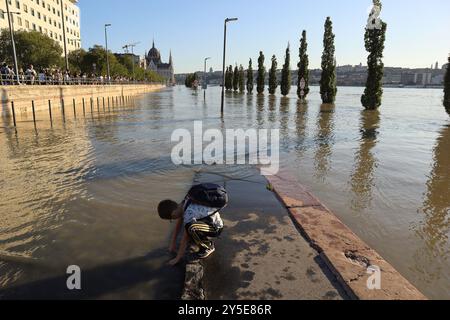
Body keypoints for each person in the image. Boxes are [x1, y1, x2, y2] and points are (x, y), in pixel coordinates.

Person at [158, 183, 227, 266]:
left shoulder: (189, 213)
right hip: (210, 221)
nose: (173, 220)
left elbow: (185, 238)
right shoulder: (185, 201)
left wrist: (177, 258)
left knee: (191, 228)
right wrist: (172, 243)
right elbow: (179, 222)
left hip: (216, 228)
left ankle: (208, 247)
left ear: (173, 214)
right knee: (189, 228)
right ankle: (201, 238)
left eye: (171, 219)